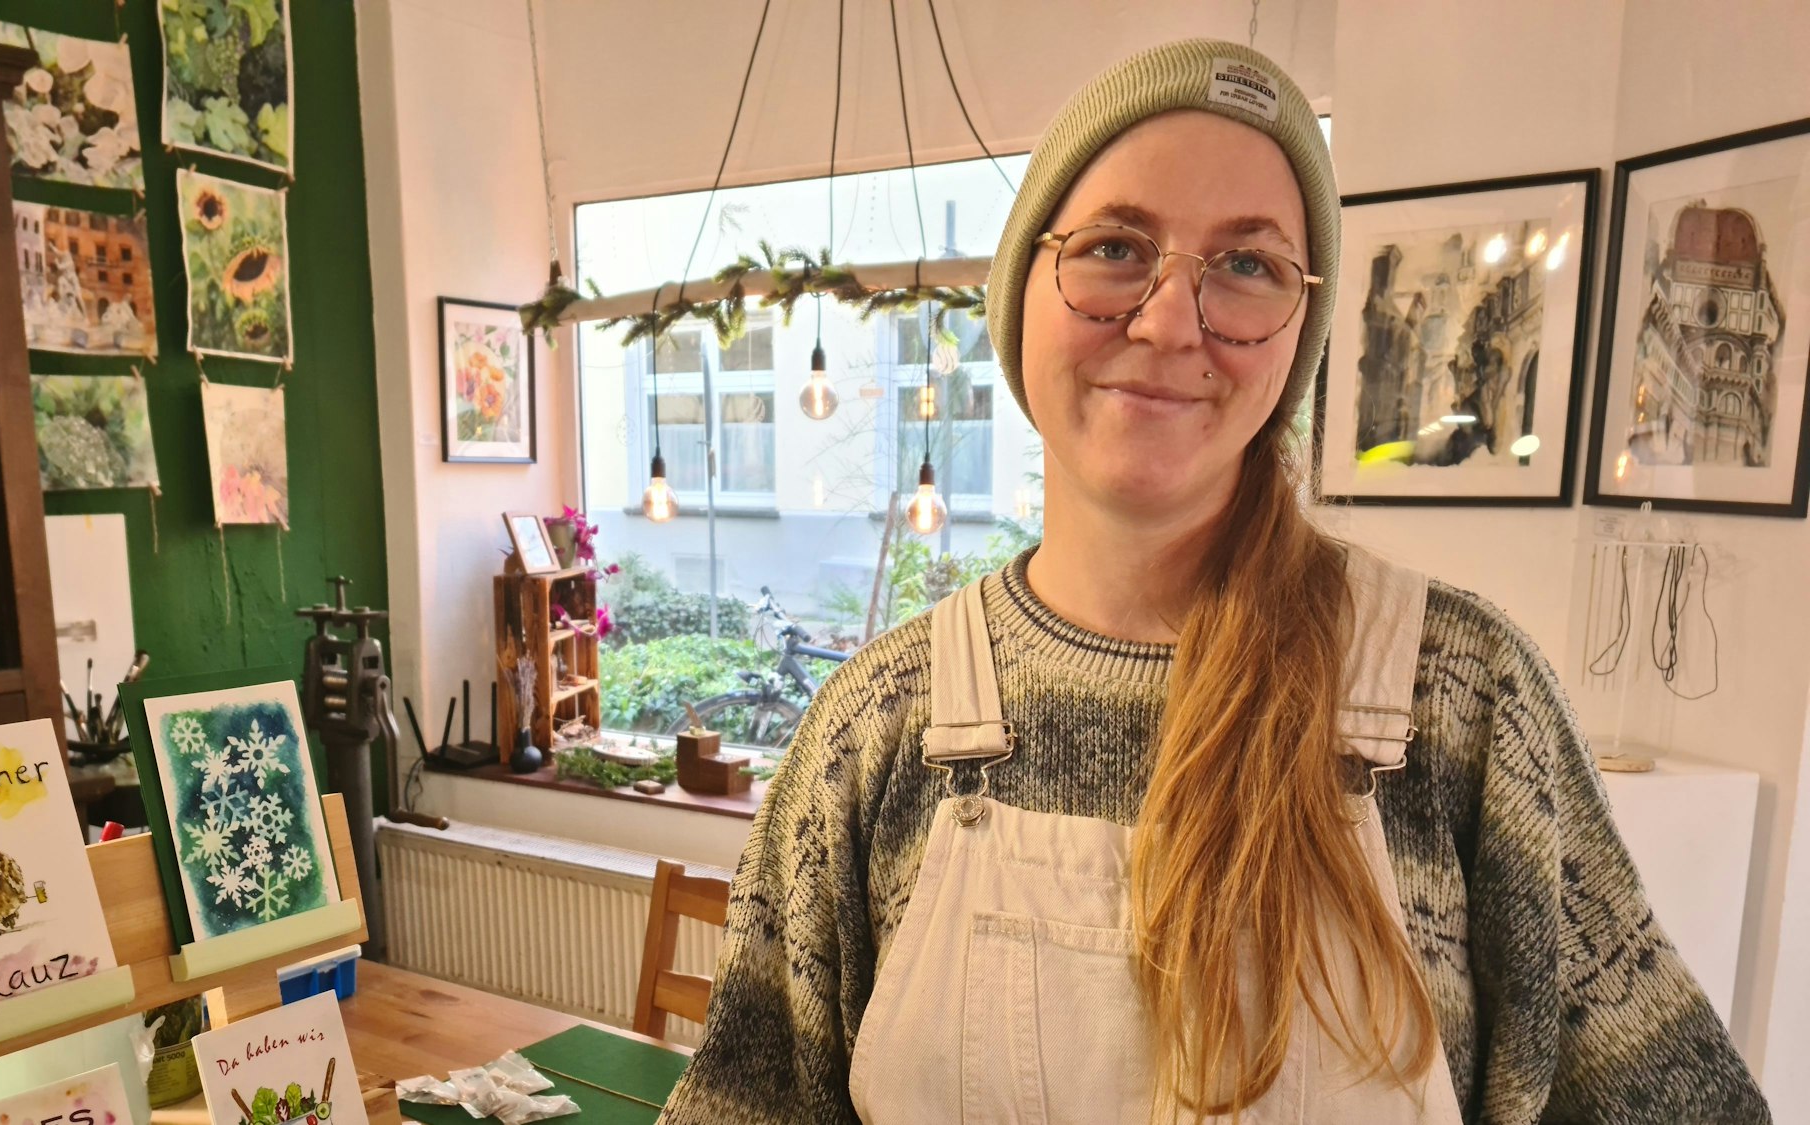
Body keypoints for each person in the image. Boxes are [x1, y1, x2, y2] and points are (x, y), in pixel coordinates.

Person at [659, 38, 1768, 1124]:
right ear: (1021, 294)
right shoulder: (876, 731)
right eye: (1113, 248)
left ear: (1296, 335)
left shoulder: (1462, 707)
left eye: (1245, 265)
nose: (1166, 320)